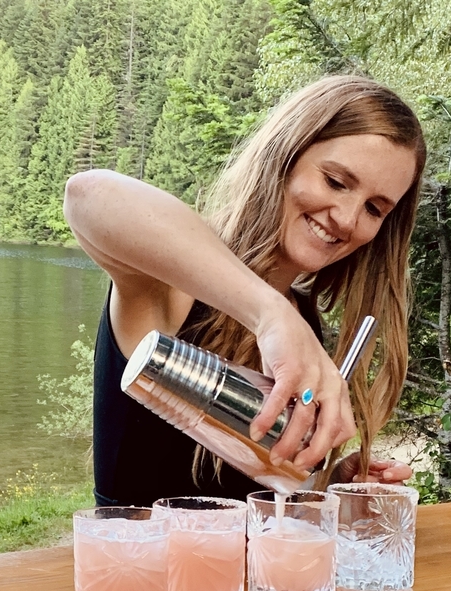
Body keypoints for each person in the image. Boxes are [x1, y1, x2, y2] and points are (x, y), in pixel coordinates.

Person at [63, 75, 424, 508]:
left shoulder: (304, 323)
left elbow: (241, 490)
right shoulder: (175, 286)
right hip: (137, 571)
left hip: (243, 577)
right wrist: (270, 314)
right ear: (284, 157)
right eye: (335, 181)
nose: (347, 219)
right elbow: (88, 195)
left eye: (373, 208)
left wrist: (324, 486)